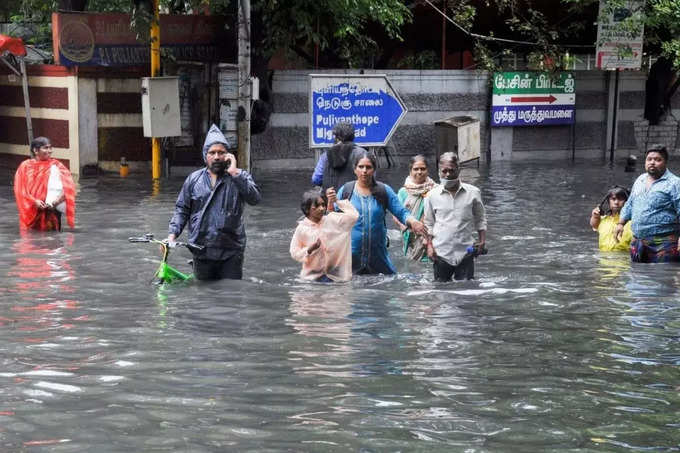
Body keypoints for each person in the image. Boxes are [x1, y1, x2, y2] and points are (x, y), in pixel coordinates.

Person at [167, 124, 261, 280]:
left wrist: (235, 173)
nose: (217, 156)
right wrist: (172, 235)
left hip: (231, 250)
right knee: (203, 296)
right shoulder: (193, 179)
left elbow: (255, 199)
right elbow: (182, 209)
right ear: (206, 156)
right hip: (201, 249)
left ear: (228, 155)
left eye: (221, 152)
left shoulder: (239, 176)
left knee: (230, 294)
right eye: (212, 152)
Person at [337, 151, 427, 275]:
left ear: (374, 170)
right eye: (361, 167)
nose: (364, 171)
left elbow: (401, 212)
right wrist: (331, 204)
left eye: (368, 167)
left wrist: (413, 221)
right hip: (350, 257)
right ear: (355, 169)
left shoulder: (384, 190)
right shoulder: (346, 191)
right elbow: (333, 219)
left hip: (378, 257)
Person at [423, 152, 487, 281]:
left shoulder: (473, 193)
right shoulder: (431, 196)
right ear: (439, 171)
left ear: (458, 170)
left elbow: (480, 219)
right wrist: (429, 246)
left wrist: (482, 241)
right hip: (440, 253)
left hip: (466, 252)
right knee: (441, 292)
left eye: (451, 171)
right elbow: (428, 223)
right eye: (444, 171)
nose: (447, 175)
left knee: (466, 292)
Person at [616, 145, 680, 263]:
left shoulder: (675, 183)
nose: (652, 162)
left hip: (665, 243)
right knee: (636, 278)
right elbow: (630, 204)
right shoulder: (640, 180)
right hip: (638, 242)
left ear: (665, 162)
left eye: (657, 159)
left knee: (662, 278)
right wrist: (620, 223)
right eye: (649, 159)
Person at [289, 187, 359, 282]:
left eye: (323, 205)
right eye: (317, 206)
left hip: (336, 276)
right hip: (312, 278)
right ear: (307, 209)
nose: (322, 208)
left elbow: (353, 216)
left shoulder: (331, 220)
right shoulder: (302, 229)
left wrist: (337, 201)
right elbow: (294, 252)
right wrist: (309, 249)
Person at [13, 136, 76, 231]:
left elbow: (69, 187)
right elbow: (20, 190)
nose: (50, 151)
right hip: (32, 210)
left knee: (53, 242)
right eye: (45, 148)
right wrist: (35, 201)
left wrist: (57, 201)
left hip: (52, 210)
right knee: (32, 242)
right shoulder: (25, 166)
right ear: (35, 150)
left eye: (50, 148)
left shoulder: (57, 166)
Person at [396, 155, 437, 261]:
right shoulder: (403, 192)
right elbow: (395, 212)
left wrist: (428, 237)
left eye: (423, 169)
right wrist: (403, 227)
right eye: (416, 169)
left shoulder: (435, 190)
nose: (419, 172)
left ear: (427, 170)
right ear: (410, 171)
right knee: (412, 266)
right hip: (410, 237)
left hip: (432, 237)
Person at [311, 121, 366, 191]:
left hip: (330, 199)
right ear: (353, 136)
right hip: (353, 199)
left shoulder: (325, 156)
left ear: (336, 137)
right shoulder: (362, 154)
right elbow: (370, 178)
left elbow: (316, 179)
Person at [590, 186, 633, 252]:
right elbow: (594, 225)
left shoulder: (632, 221)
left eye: (620, 199)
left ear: (627, 202)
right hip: (604, 259)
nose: (616, 202)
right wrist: (595, 216)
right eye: (613, 199)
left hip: (624, 258)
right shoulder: (603, 220)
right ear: (608, 201)